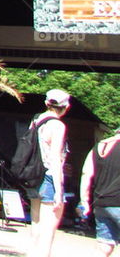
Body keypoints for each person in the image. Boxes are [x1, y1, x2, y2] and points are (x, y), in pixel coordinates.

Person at [28, 88, 71, 257]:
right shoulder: (58, 125)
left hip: (33, 176)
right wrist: (59, 192)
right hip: (48, 178)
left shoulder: (36, 121)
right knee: (48, 232)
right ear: (66, 107)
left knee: (36, 227)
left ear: (46, 103)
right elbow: (55, 159)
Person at [80, 127, 120, 256]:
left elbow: (86, 174)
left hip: (101, 204)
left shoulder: (99, 146)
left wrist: (84, 201)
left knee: (104, 246)